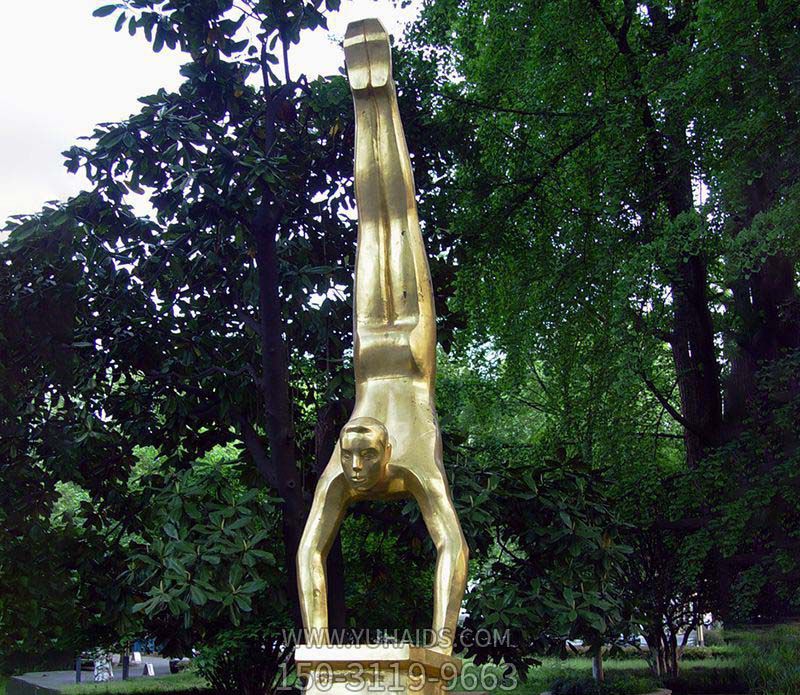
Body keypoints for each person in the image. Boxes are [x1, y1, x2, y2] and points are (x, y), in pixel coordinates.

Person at [296, 18, 468, 656]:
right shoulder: (343, 473)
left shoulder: (414, 460)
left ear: (386, 452)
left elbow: (452, 544)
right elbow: (309, 551)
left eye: (363, 459)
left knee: (389, 219)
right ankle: (372, 95)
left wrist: (440, 646)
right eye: (351, 459)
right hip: (405, 352)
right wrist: (317, 651)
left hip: (381, 351)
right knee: (378, 223)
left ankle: (375, 96)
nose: (356, 470)